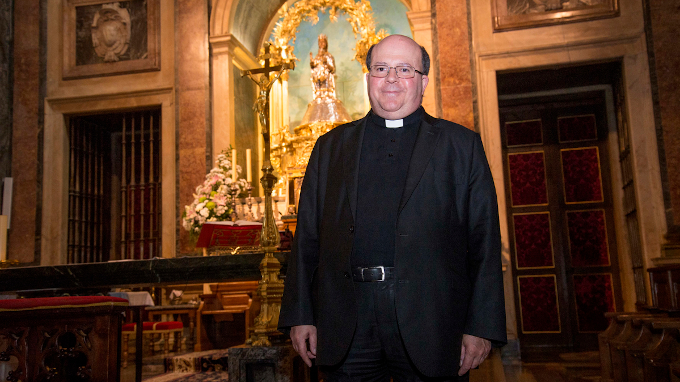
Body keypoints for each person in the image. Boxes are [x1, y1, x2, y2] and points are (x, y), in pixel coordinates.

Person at [279, 34, 506, 381]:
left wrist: (482, 327)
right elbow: (307, 238)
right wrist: (300, 315)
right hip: (347, 320)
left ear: (423, 81)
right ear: (368, 77)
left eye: (404, 69)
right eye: (381, 68)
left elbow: (484, 243)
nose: (391, 79)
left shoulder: (461, 147)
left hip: (432, 319)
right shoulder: (330, 148)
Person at [309, 34, 336, 99]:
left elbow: (332, 69)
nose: (321, 44)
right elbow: (313, 68)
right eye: (320, 42)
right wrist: (312, 64)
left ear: (326, 43)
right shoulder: (317, 57)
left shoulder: (329, 56)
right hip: (318, 84)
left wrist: (326, 63)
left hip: (327, 83)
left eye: (323, 42)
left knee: (327, 97)